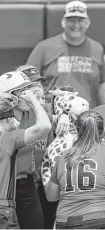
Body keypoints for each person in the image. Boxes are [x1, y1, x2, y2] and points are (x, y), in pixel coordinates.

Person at [43, 110, 105, 229]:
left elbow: (51, 196)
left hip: (66, 222)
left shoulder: (63, 157)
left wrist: (46, 171)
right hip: (100, 220)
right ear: (102, 133)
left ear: (76, 130)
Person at [0, 69, 69, 229]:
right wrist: (33, 99)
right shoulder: (4, 121)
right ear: (9, 96)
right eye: (22, 91)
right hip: (4, 188)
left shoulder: (32, 112)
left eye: (28, 89)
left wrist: (63, 115)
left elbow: (54, 118)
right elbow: (44, 126)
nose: (28, 93)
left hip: (26, 183)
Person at [26, 0, 105, 109]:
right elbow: (28, 80)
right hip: (53, 117)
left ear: (87, 23)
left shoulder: (97, 48)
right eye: (71, 20)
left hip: (86, 119)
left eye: (80, 20)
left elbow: (102, 86)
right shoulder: (44, 47)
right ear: (63, 22)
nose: (76, 25)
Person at [0, 87, 51, 229]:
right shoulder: (8, 139)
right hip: (3, 209)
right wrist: (33, 100)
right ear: (4, 121)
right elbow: (44, 126)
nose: (14, 123)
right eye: (10, 119)